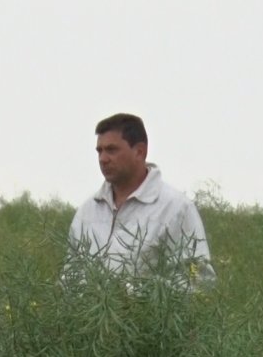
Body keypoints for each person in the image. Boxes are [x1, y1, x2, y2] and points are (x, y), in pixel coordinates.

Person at [67, 113, 215, 289]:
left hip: (152, 315)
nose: (103, 159)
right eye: (99, 151)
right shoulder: (87, 212)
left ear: (139, 151)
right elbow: (70, 273)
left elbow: (199, 280)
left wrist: (137, 296)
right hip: (90, 316)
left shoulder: (175, 209)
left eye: (112, 150)